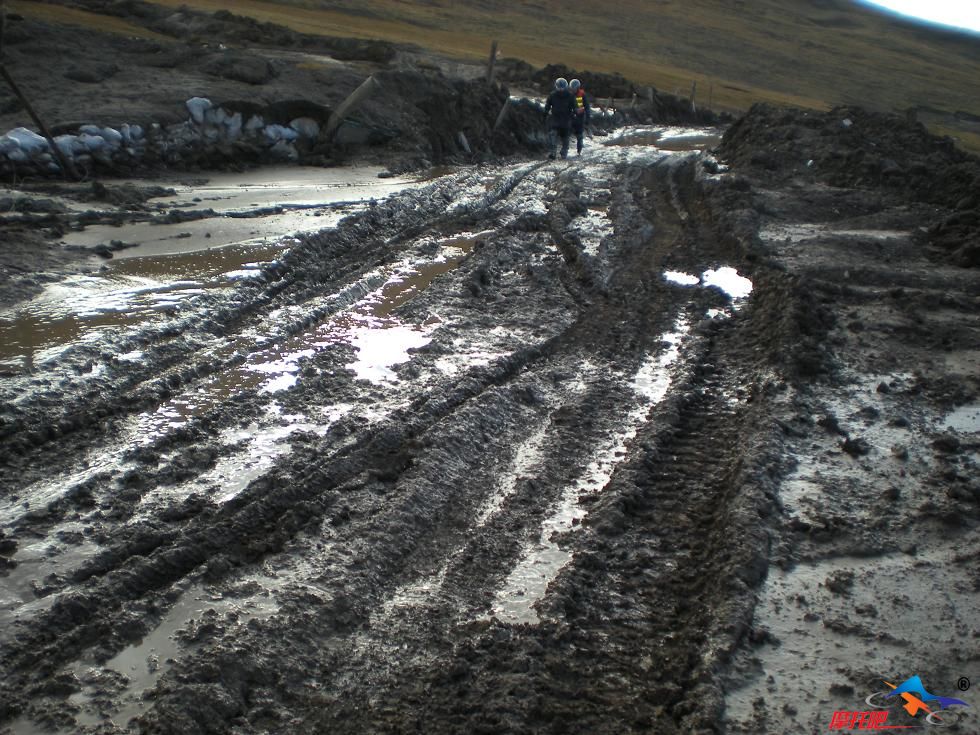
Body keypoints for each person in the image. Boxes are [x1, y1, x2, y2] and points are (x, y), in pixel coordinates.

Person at [543, 77, 576, 160]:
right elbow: (575, 107)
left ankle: (558, 152)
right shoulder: (569, 95)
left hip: (560, 120)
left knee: (559, 136)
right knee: (561, 137)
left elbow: (547, 106)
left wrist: (545, 114)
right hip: (561, 120)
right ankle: (559, 152)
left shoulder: (553, 95)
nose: (561, 89)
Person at [569, 79, 591, 155]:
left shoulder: (582, 95)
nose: (573, 89)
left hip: (580, 118)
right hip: (570, 117)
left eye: (574, 88)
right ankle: (564, 151)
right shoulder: (568, 95)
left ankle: (579, 151)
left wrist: (587, 119)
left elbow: (587, 107)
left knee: (579, 136)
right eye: (572, 88)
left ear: (578, 88)